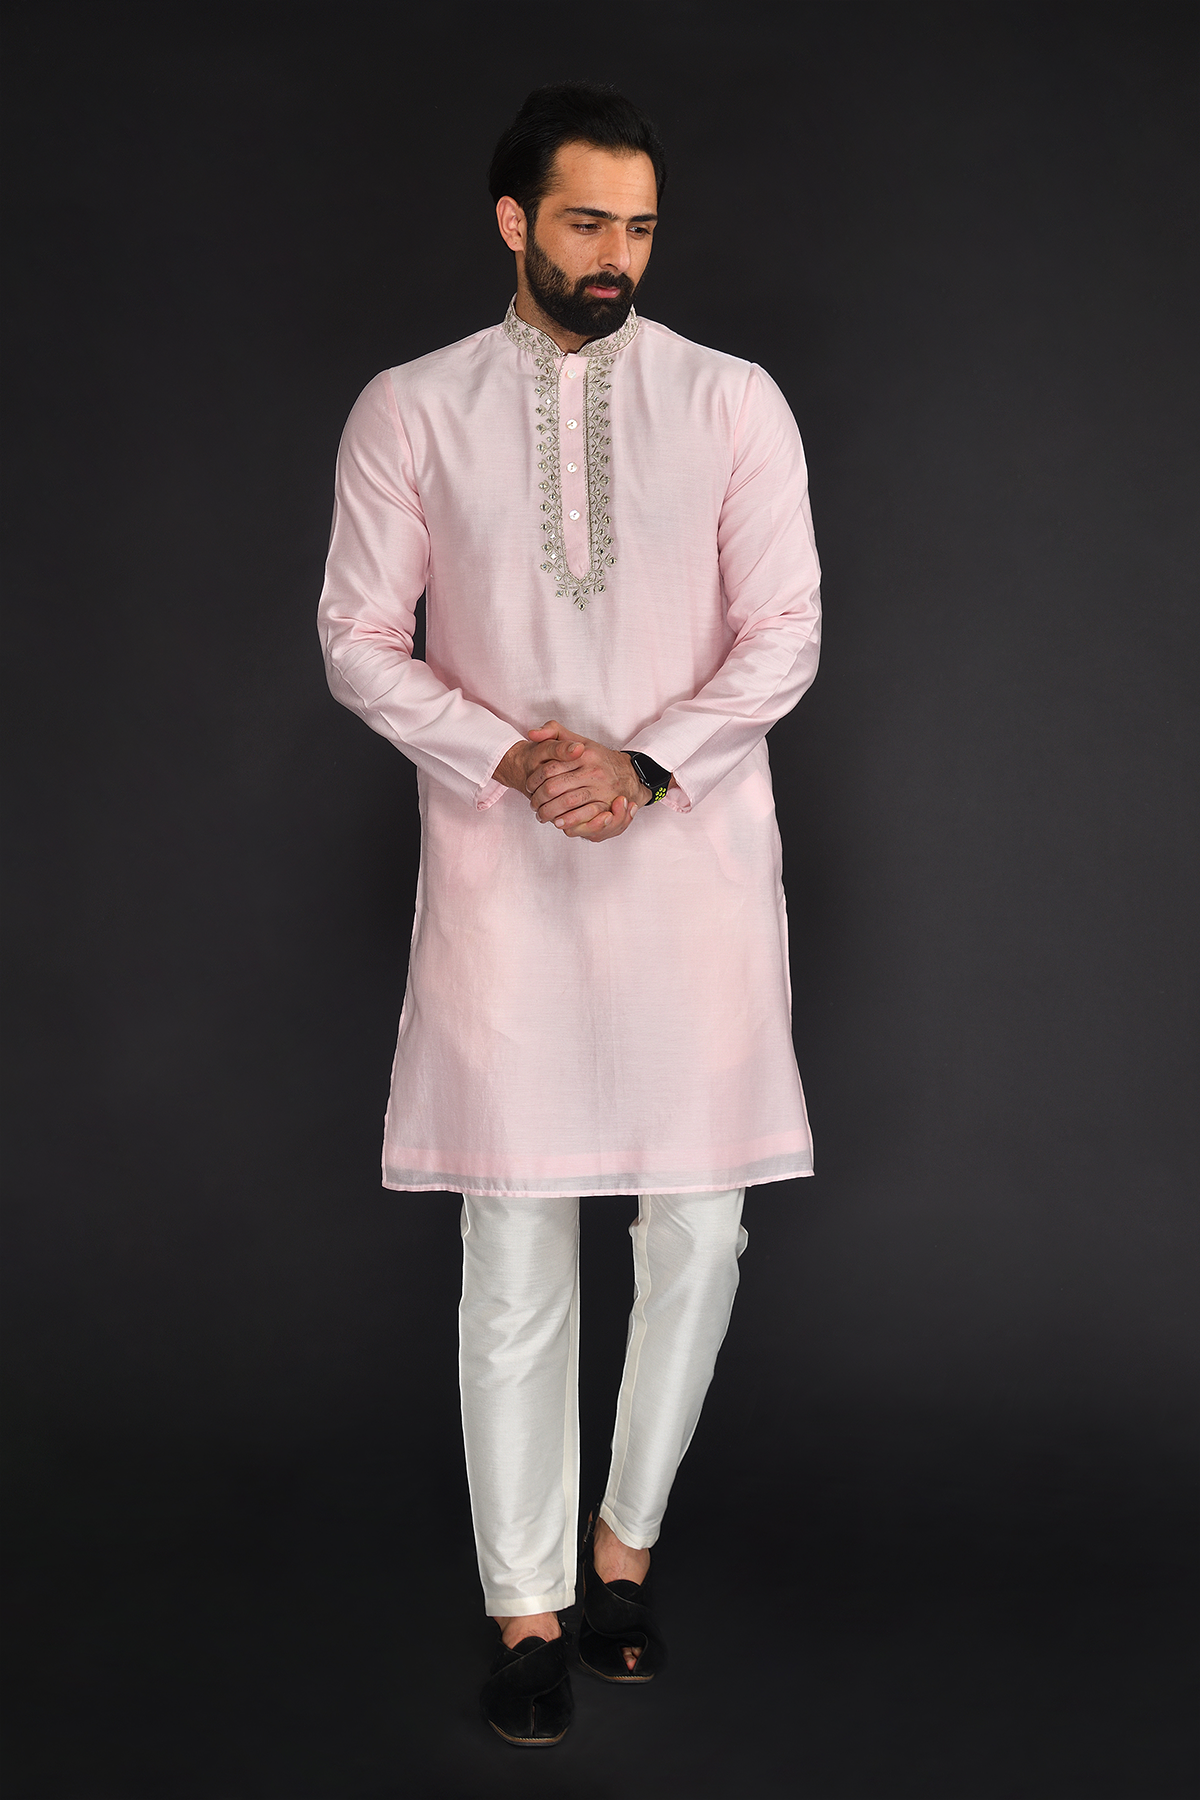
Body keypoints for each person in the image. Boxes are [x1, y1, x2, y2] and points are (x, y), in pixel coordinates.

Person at [317, 81, 821, 1747]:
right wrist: (509, 757)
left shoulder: (731, 401)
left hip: (691, 868)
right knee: (517, 1241)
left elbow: (785, 630)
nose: (619, 256)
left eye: (642, 227)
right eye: (588, 221)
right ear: (513, 221)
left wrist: (649, 764)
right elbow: (358, 638)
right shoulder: (414, 409)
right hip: (506, 873)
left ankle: (625, 1548)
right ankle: (527, 1603)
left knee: (698, 1232)